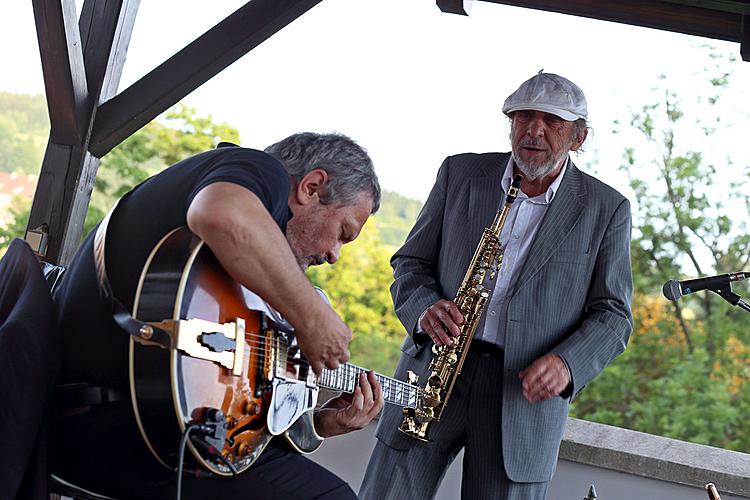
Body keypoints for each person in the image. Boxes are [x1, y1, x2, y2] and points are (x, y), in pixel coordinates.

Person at [51, 132, 385, 499]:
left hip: (120, 433)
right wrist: (313, 317)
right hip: (114, 437)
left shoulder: (226, 278)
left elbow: (222, 408)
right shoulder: (260, 171)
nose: (335, 255)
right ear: (311, 186)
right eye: (342, 233)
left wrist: (320, 423)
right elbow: (219, 211)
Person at [359, 72, 633, 500]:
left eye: (551, 121)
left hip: (519, 395)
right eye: (523, 116)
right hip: (433, 369)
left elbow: (614, 315)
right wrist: (425, 308)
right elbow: (411, 264)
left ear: (579, 138)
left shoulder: (607, 208)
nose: (533, 130)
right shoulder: (460, 172)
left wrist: (568, 363)